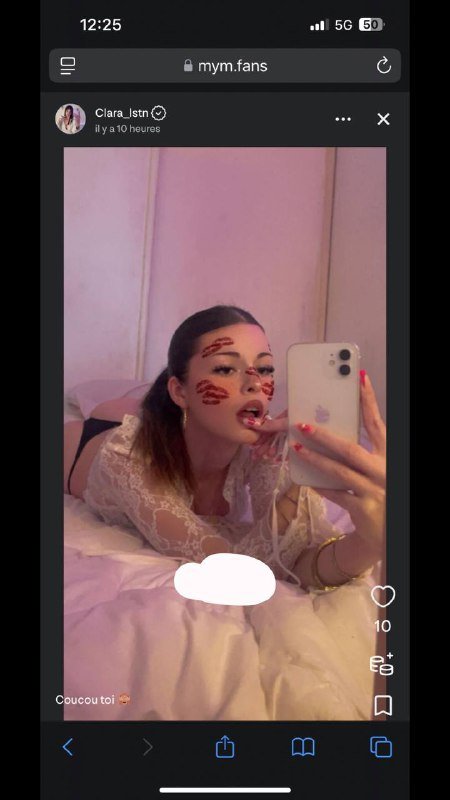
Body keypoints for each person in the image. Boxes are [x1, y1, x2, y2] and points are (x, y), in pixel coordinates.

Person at [63, 305, 386, 590]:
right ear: (180, 391)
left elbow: (298, 557)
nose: (255, 383)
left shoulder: (262, 445)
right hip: (84, 444)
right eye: (225, 369)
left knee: (147, 407)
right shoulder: (126, 457)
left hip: (178, 418)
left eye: (265, 368)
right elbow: (234, 568)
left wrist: (371, 542)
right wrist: (301, 487)